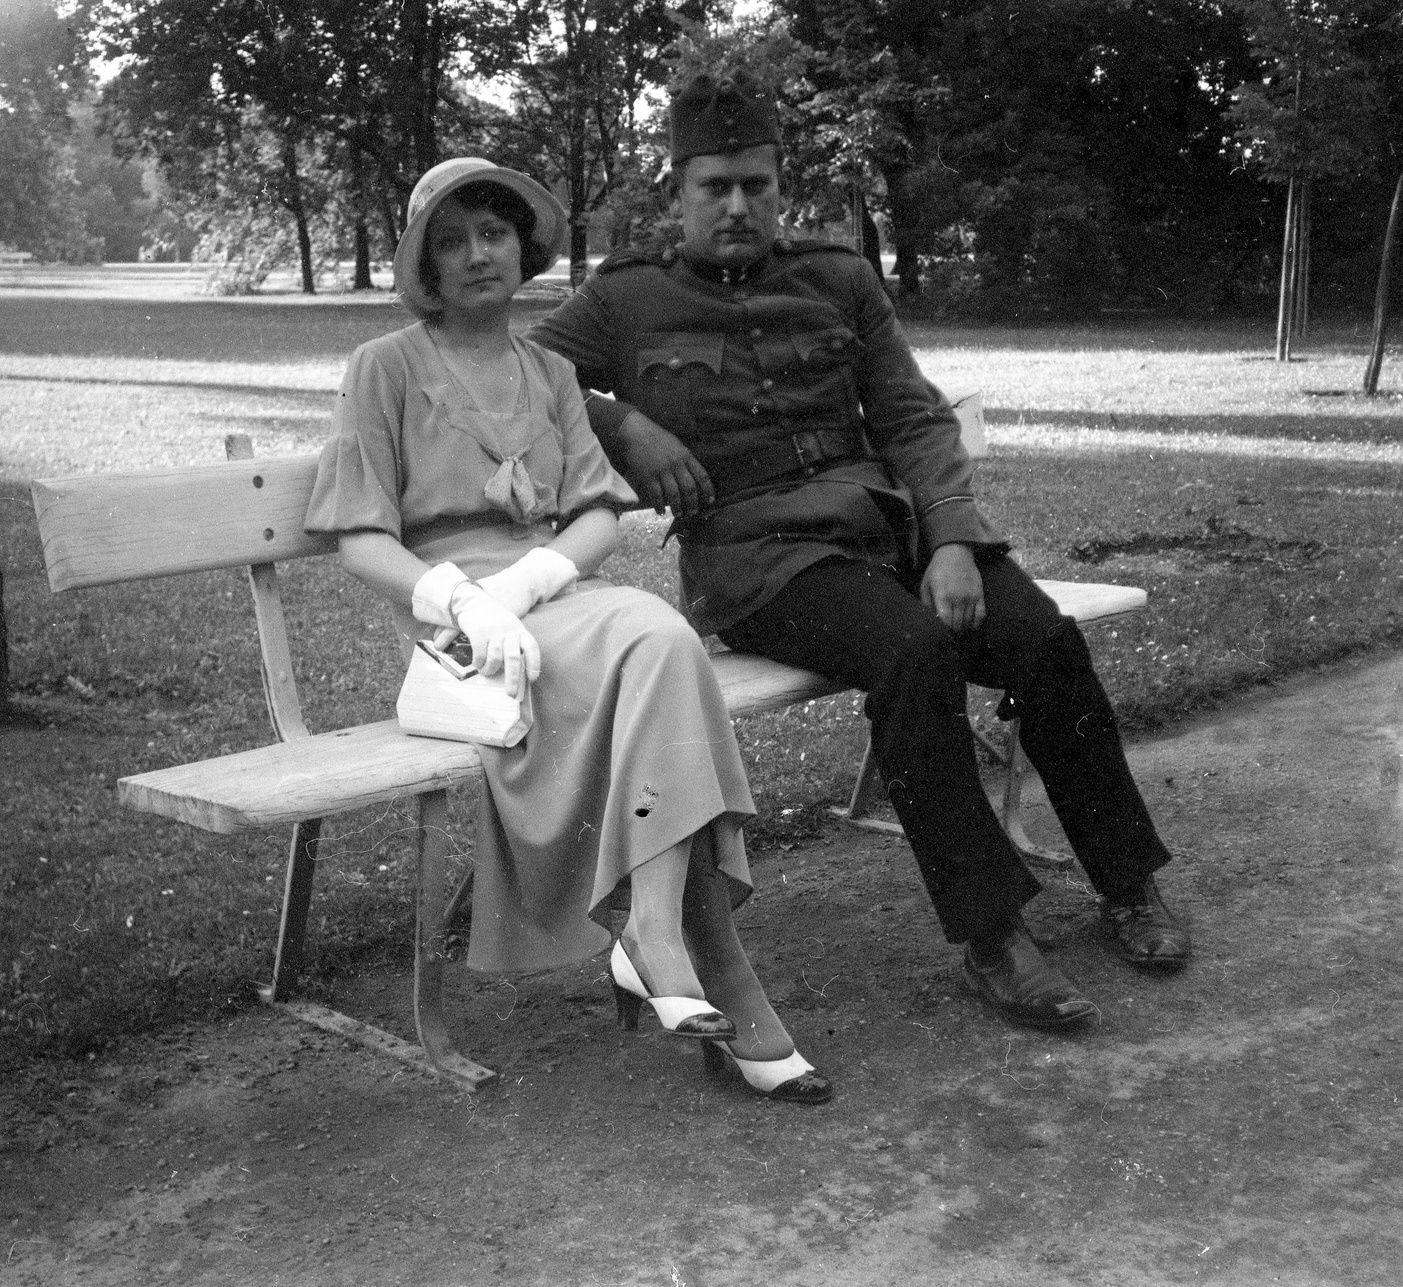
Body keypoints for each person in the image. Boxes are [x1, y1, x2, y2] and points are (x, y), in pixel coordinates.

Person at [527, 71, 1192, 1031]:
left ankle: (1128, 881)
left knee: (1041, 636)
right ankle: (993, 936)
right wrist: (620, 420)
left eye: (756, 184)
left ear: (779, 184)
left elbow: (914, 418)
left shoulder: (836, 276)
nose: (738, 205)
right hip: (759, 562)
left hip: (886, 531)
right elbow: (521, 376)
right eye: (714, 187)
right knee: (914, 654)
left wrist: (955, 540)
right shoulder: (624, 301)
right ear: (676, 193)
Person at [304, 157, 830, 1103]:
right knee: (653, 646)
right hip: (456, 628)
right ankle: (707, 970)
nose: (477, 255)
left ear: (525, 247)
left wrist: (535, 574)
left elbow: (595, 513)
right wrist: (467, 600)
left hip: (547, 597)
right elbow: (358, 538)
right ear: (425, 260)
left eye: (495, 235)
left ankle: (657, 932)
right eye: (453, 240)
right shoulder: (382, 368)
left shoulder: (550, 373)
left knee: (656, 633)